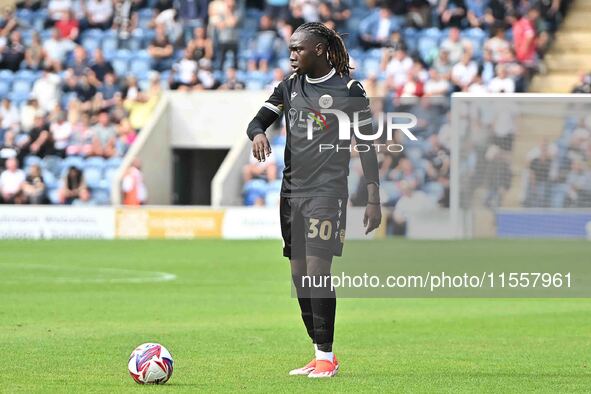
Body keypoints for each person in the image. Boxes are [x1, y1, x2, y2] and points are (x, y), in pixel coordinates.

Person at [245, 22, 381, 378]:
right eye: (290, 49)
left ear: (318, 50)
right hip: (291, 192)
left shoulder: (349, 89)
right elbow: (257, 120)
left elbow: (366, 145)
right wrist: (258, 133)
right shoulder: (289, 86)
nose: (292, 56)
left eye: (298, 49)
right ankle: (319, 353)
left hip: (328, 192)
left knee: (318, 270)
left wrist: (373, 197)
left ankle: (326, 355)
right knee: (299, 275)